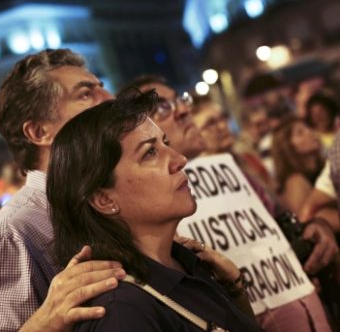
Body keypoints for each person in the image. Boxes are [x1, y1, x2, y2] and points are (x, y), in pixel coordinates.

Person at [121, 76, 336, 332]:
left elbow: (283, 222)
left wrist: (316, 227)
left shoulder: (239, 174)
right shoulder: (154, 222)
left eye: (180, 100)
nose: (185, 110)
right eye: (163, 107)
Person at [47, 91, 262, 331]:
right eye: (149, 153)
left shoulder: (191, 263)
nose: (179, 159)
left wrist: (234, 288)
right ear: (104, 199)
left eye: (166, 144)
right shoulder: (122, 311)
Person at [0, 48, 125, 332]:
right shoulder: (12, 234)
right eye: (85, 94)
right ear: (39, 133)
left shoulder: (108, 197)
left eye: (101, 87)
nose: (109, 98)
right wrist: (45, 322)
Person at [271, 117, 325, 214]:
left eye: (308, 128)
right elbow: (305, 222)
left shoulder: (322, 167)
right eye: (300, 133)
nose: (309, 132)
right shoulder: (295, 182)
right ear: (287, 146)